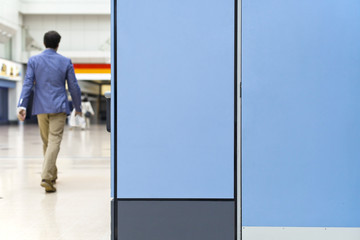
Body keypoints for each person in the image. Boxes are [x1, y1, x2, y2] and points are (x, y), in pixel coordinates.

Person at [17, 30, 82, 193]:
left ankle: (51, 175)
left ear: (44, 43)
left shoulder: (34, 60)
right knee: (53, 142)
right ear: (58, 44)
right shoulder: (65, 61)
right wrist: (78, 107)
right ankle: (47, 176)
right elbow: (73, 86)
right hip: (59, 107)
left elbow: (27, 83)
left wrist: (22, 105)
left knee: (47, 142)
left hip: (41, 107)